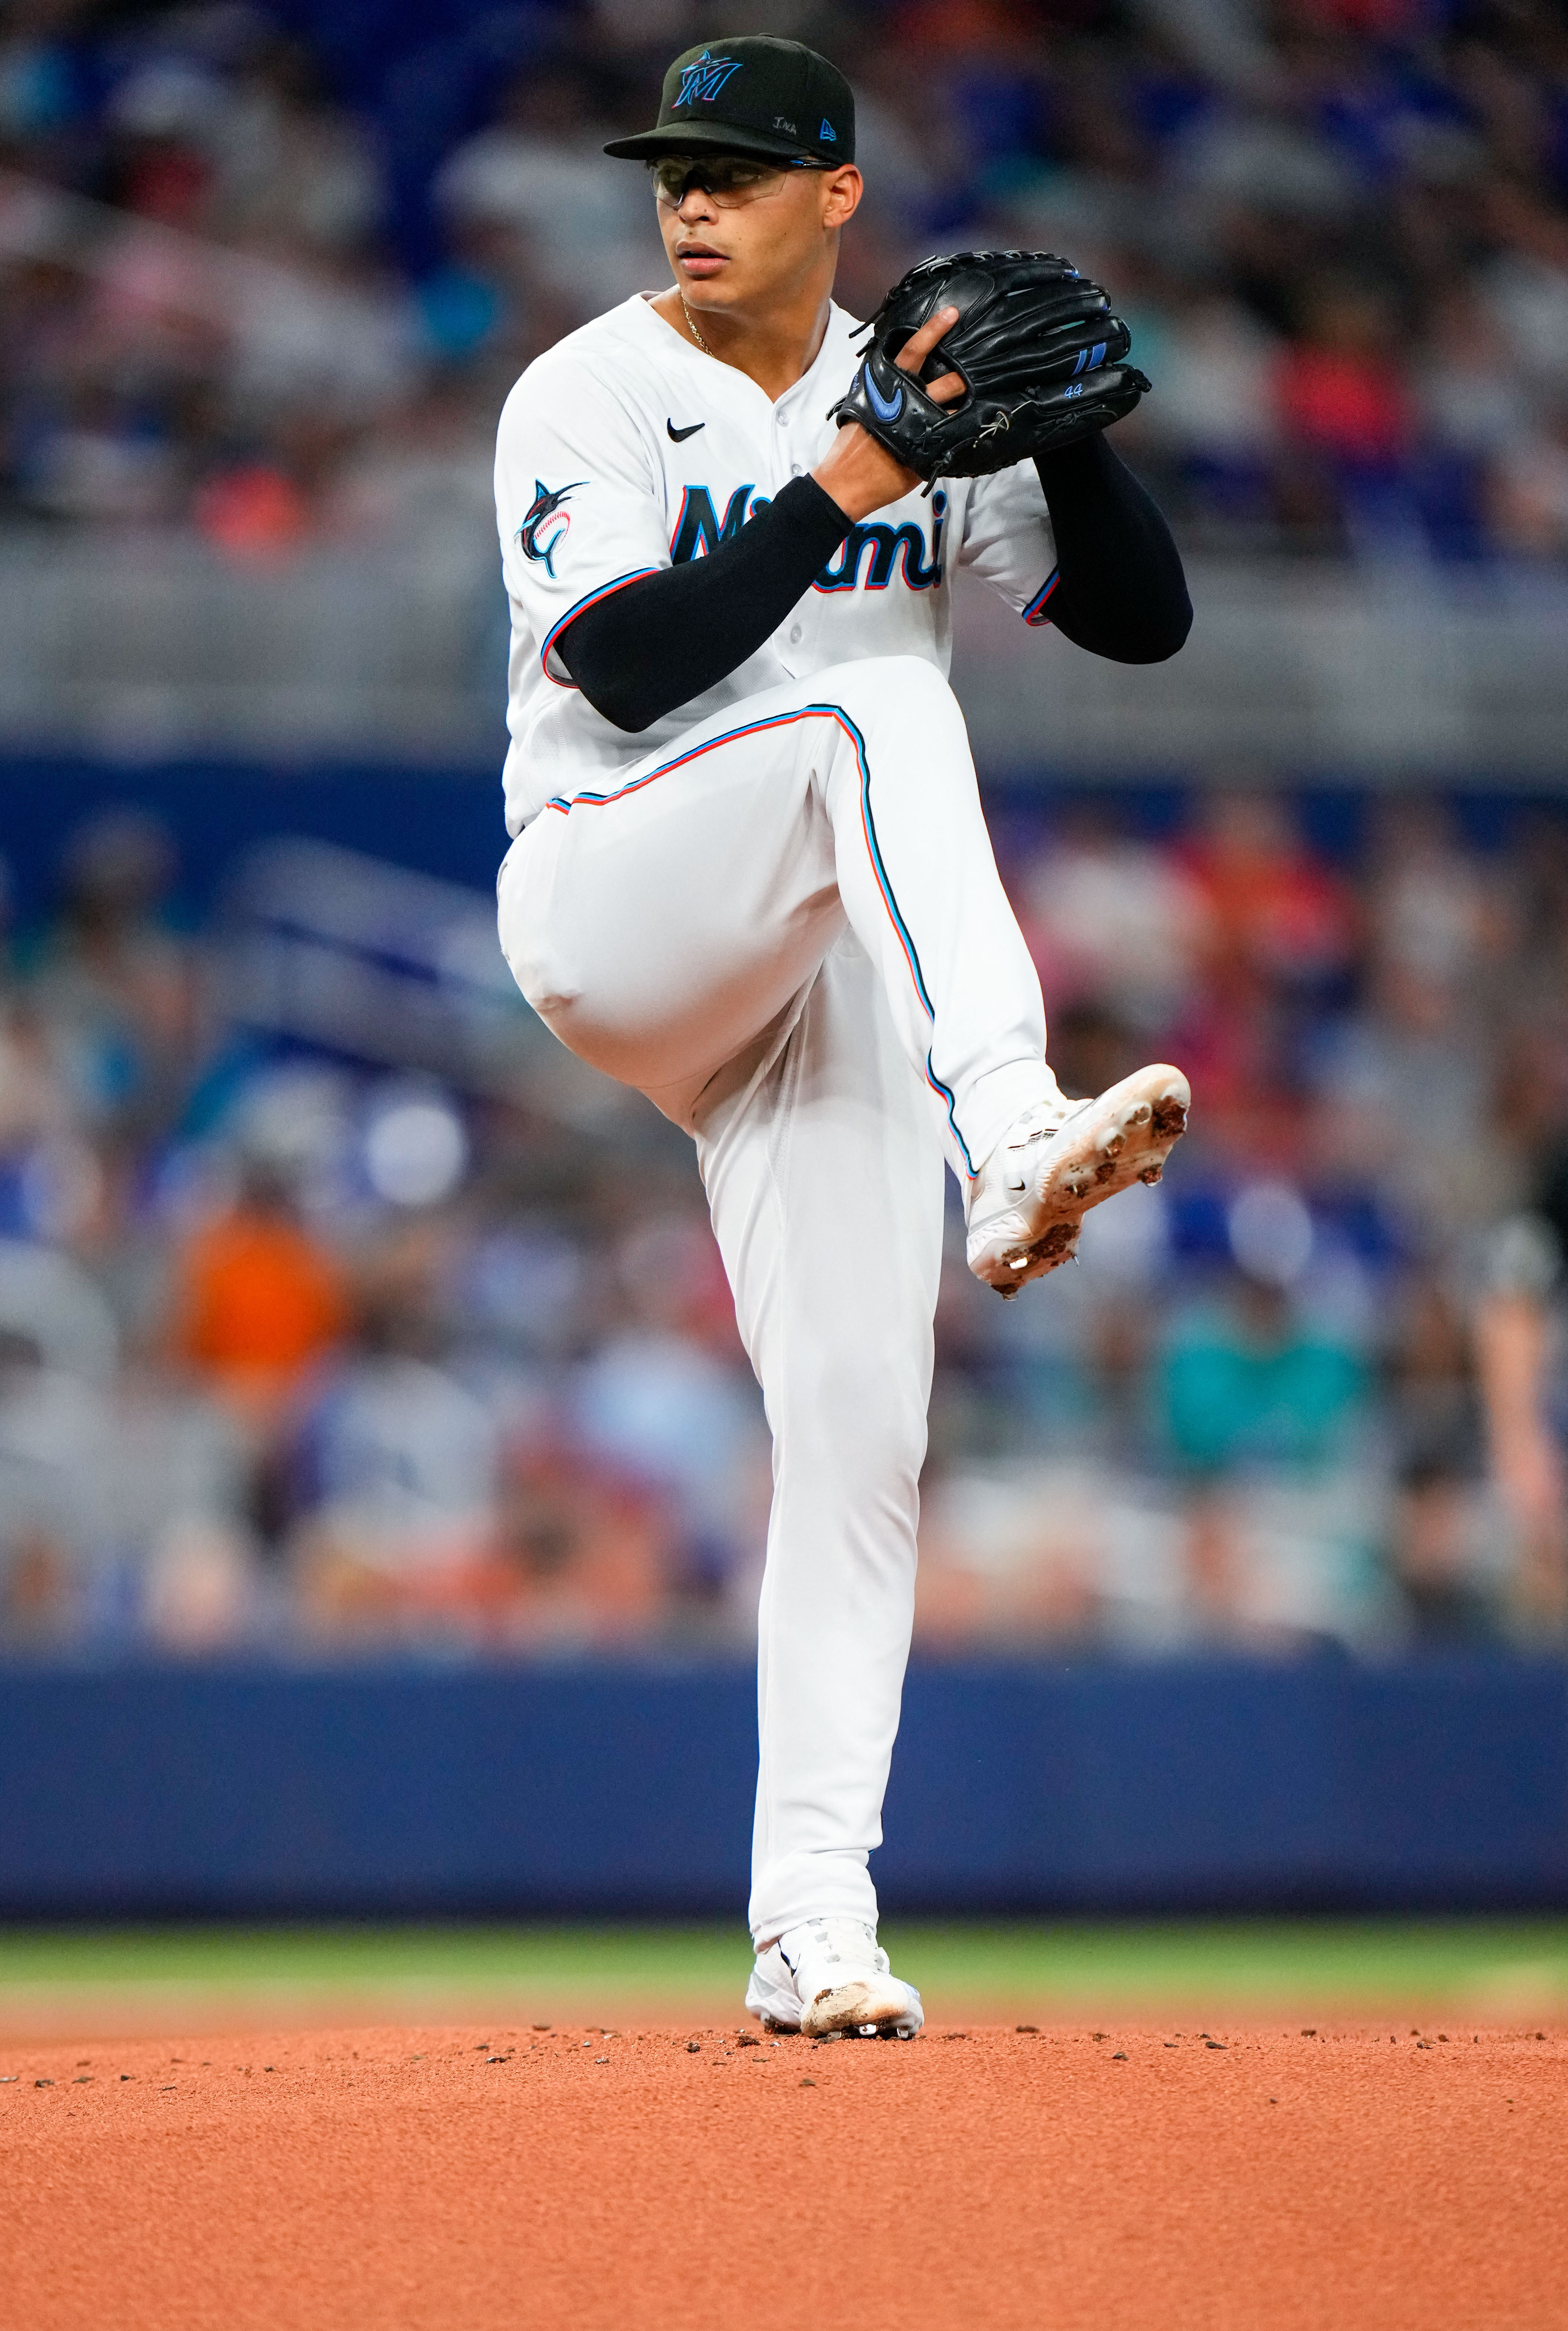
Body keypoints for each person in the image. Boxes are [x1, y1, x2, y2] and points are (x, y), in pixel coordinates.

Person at [492, 36, 1193, 2038]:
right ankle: (1013, 1123)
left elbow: (1143, 625)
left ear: (837, 196)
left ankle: (814, 1921)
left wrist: (1068, 436)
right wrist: (853, 479)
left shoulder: (929, 386)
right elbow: (626, 670)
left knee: (865, 1429)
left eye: (732, 167)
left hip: (825, 973)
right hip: (623, 900)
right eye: (669, 169)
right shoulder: (593, 386)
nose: (687, 199)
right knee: (873, 706)